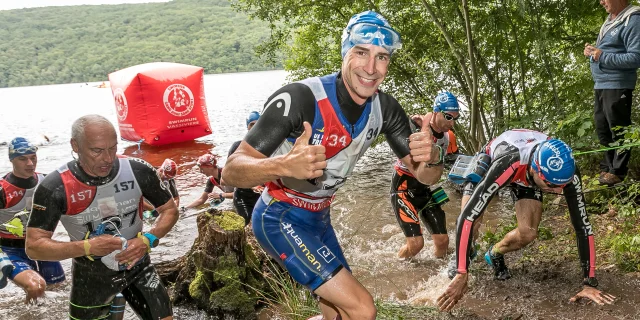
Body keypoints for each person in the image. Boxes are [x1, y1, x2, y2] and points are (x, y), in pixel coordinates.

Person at [223, 11, 444, 320]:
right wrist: (283, 165)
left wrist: (432, 157)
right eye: (361, 52)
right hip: (279, 216)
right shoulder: (301, 98)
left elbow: (425, 176)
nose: (370, 68)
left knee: (338, 315)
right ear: (345, 53)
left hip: (319, 219)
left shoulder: (386, 109)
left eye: (382, 57)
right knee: (363, 310)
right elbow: (231, 170)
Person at [437, 129, 616, 312]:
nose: (557, 192)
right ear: (535, 169)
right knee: (472, 223)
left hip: (528, 177)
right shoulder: (509, 162)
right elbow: (467, 217)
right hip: (493, 162)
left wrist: (589, 282)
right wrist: (461, 272)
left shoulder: (565, 171)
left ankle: (494, 253)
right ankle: (460, 260)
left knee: (528, 232)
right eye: (552, 185)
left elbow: (582, 226)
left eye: (562, 186)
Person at [25, 115, 179, 320]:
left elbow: (170, 210)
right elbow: (34, 247)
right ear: (75, 145)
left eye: (112, 148)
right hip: (91, 277)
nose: (107, 158)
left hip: (138, 266)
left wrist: (148, 239)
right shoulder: (55, 186)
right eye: (97, 150)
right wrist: (87, 247)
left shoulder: (137, 170)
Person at [391, 92, 460, 260]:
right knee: (416, 245)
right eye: (448, 117)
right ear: (436, 111)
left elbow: (453, 160)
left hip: (426, 189)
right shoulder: (416, 124)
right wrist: (421, 130)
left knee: (443, 241)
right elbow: (404, 146)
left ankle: (436, 274)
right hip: (403, 188)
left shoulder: (448, 136)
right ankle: (399, 265)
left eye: (455, 118)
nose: (451, 123)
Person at [0, 137, 65, 302]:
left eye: (33, 157)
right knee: (36, 286)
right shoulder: (3, 190)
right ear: (11, 160)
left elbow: (71, 212)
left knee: (59, 290)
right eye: (22, 159)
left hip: (41, 246)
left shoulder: (47, 182)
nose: (30, 163)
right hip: (11, 250)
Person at [583, 0, 640, 186]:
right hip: (601, 84)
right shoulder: (610, 20)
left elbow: (635, 57)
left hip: (618, 84)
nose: (601, 2)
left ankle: (618, 171)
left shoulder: (633, 19)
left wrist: (601, 55)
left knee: (619, 128)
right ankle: (607, 168)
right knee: (603, 128)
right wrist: (593, 52)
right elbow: (605, 51)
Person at [227, 111, 264, 225]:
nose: (255, 127)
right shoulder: (238, 146)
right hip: (243, 195)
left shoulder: (268, 146)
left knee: (263, 224)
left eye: (258, 124)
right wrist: (250, 184)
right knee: (246, 222)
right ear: (247, 127)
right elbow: (229, 174)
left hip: (262, 194)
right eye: (252, 124)